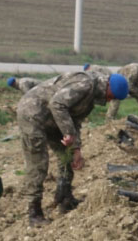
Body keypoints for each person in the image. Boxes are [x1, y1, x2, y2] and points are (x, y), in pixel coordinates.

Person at [16, 71, 128, 226]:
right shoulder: (85, 84)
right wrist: (69, 134)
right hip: (32, 114)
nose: (110, 101)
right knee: (38, 163)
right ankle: (34, 211)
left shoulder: (91, 97)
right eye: (111, 96)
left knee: (66, 156)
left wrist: (76, 150)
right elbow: (57, 104)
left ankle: (64, 197)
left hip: (53, 118)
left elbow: (75, 121)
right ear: (108, 86)